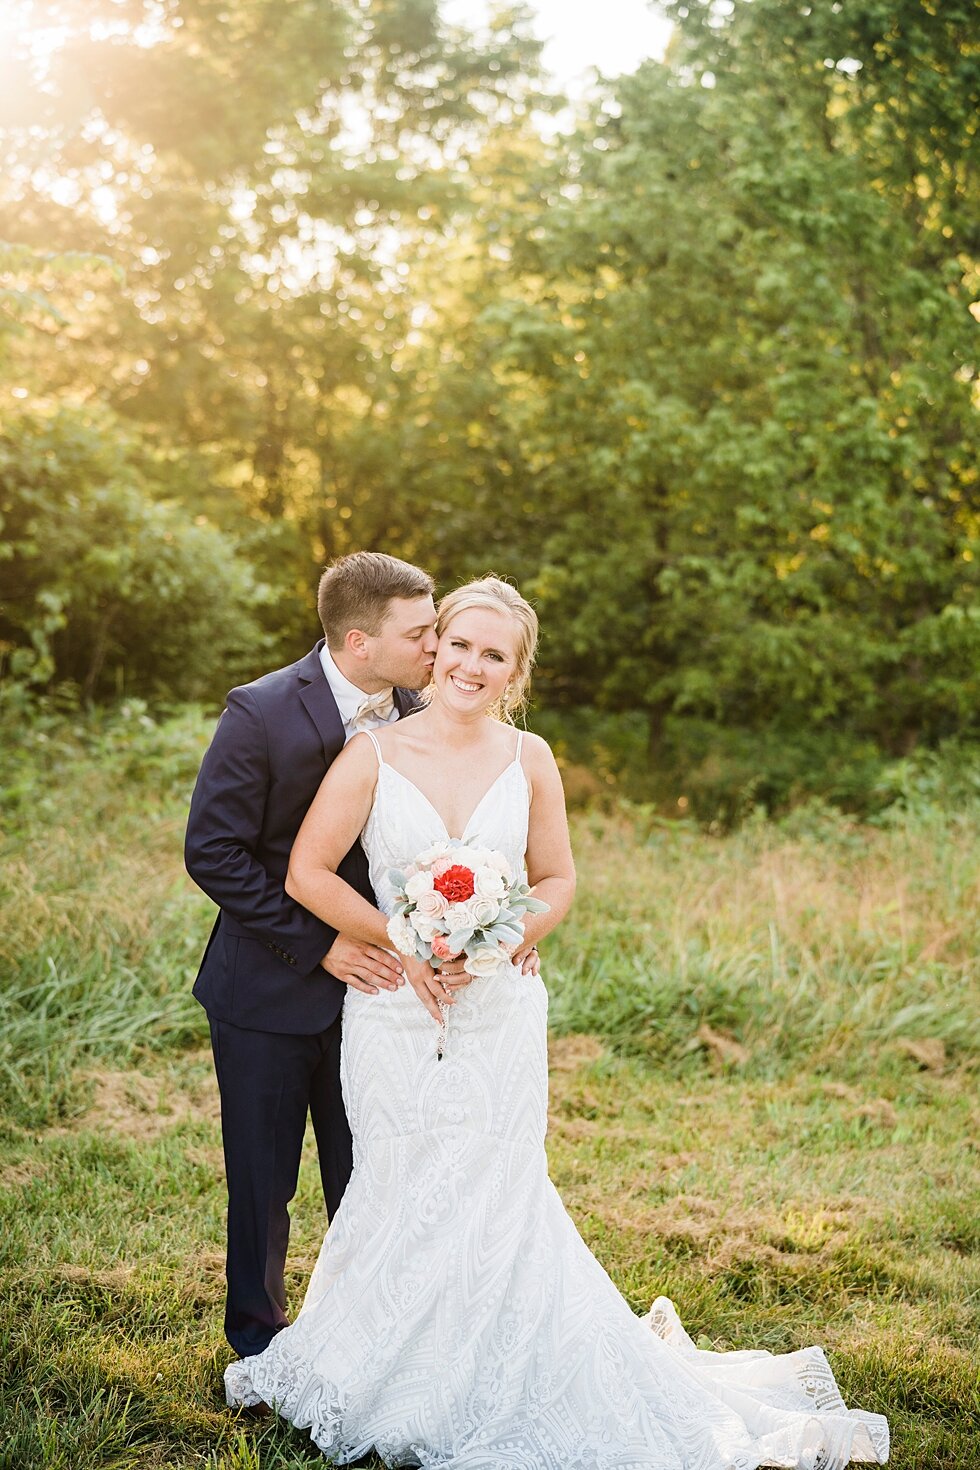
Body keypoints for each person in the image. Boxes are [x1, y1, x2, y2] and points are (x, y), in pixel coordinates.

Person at [224, 576, 890, 1468]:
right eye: (456, 644)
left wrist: (502, 939)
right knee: (395, 1180)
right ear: (435, 649)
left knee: (499, 1187)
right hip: (393, 1006)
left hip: (499, 1010)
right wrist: (406, 937)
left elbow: (559, 878)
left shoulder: (532, 758)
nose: (468, 663)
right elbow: (309, 872)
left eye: (492, 655)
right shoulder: (372, 755)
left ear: (515, 670)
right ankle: (379, 1361)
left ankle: (496, 1367)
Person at [185, 551, 446, 1360]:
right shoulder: (260, 711)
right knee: (263, 1183)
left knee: (367, 1174)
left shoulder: (424, 711)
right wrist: (321, 944)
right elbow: (215, 852)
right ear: (360, 641)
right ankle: (259, 1347)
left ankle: (364, 1339)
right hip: (265, 988)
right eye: (422, 632)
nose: (437, 646)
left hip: (378, 996)